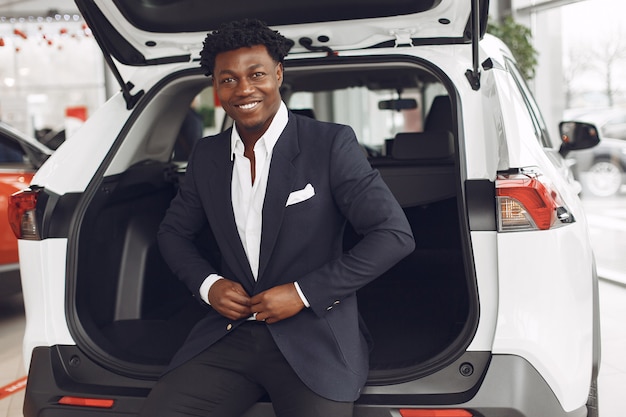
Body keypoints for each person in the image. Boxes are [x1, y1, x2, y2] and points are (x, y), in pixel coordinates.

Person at [141, 18, 415, 417]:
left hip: (314, 337)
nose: (244, 89)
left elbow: (393, 235)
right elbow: (173, 234)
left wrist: (302, 292)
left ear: (279, 74)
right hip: (229, 335)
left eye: (256, 74)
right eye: (228, 79)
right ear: (216, 87)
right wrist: (208, 284)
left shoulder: (330, 144)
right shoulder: (206, 155)